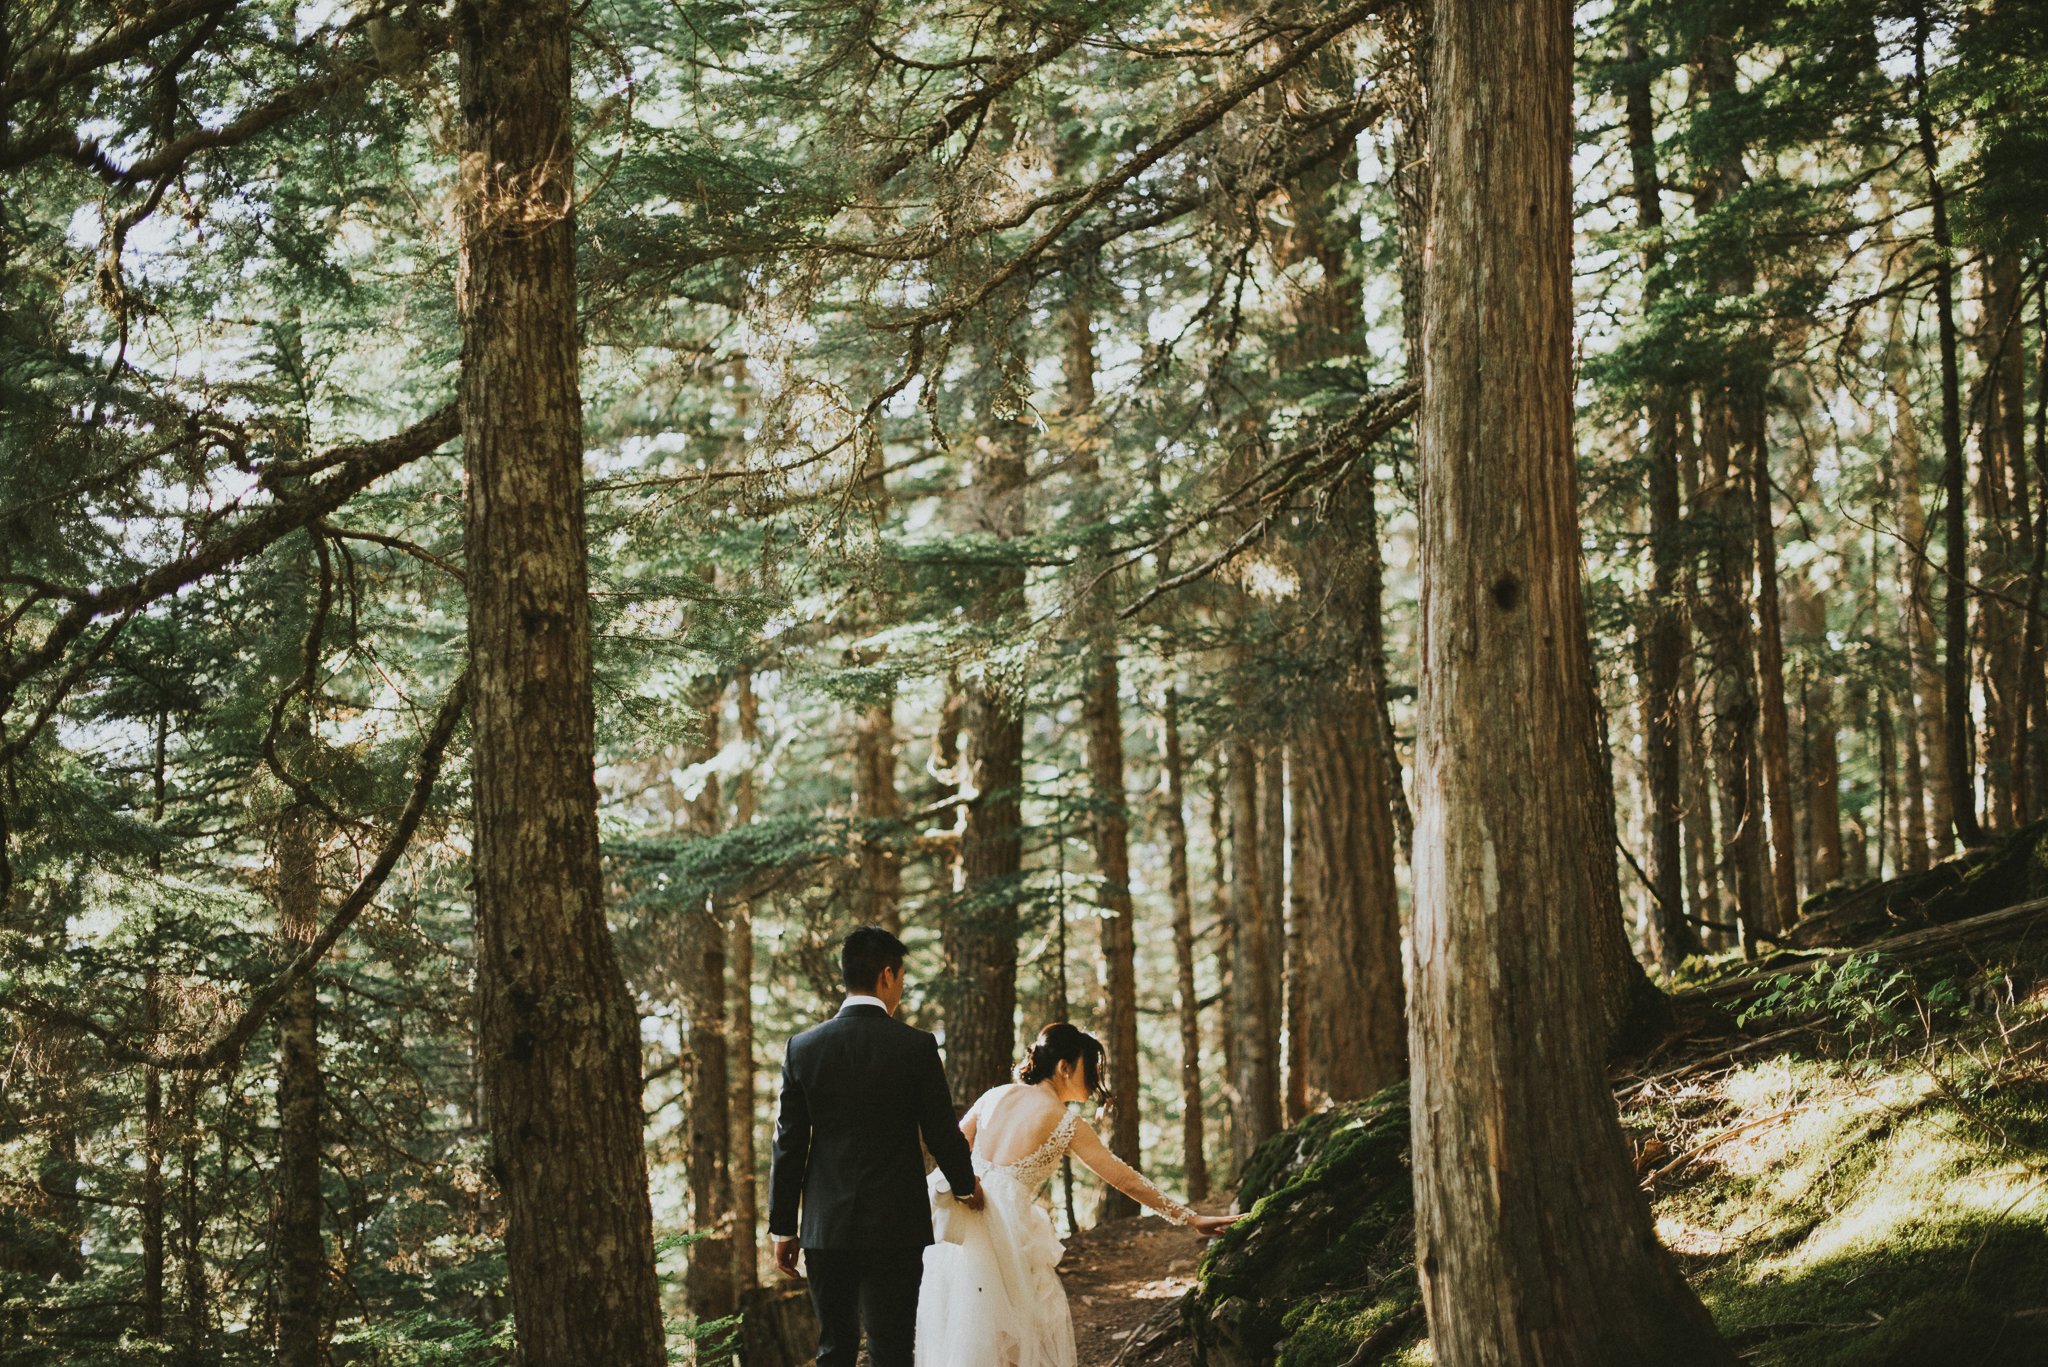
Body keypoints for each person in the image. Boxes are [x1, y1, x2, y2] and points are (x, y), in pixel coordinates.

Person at [915, 1022, 1237, 1367]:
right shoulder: (1063, 1120)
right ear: (1064, 1067)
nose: (1096, 1076)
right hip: (1006, 1229)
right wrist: (1191, 1218)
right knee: (1015, 1336)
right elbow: (1123, 1179)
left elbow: (952, 1150)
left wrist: (966, 1187)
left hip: (962, 1220)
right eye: (1091, 1067)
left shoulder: (993, 1096)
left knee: (967, 1327)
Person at [767, 926, 987, 1367]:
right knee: (891, 1349)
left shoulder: (803, 1049)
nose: (901, 990)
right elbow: (942, 1130)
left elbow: (788, 1145)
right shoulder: (916, 1047)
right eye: (901, 979)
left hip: (825, 1227)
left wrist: (783, 1228)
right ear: (887, 975)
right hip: (895, 1226)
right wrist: (966, 1187)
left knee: (834, 1349)